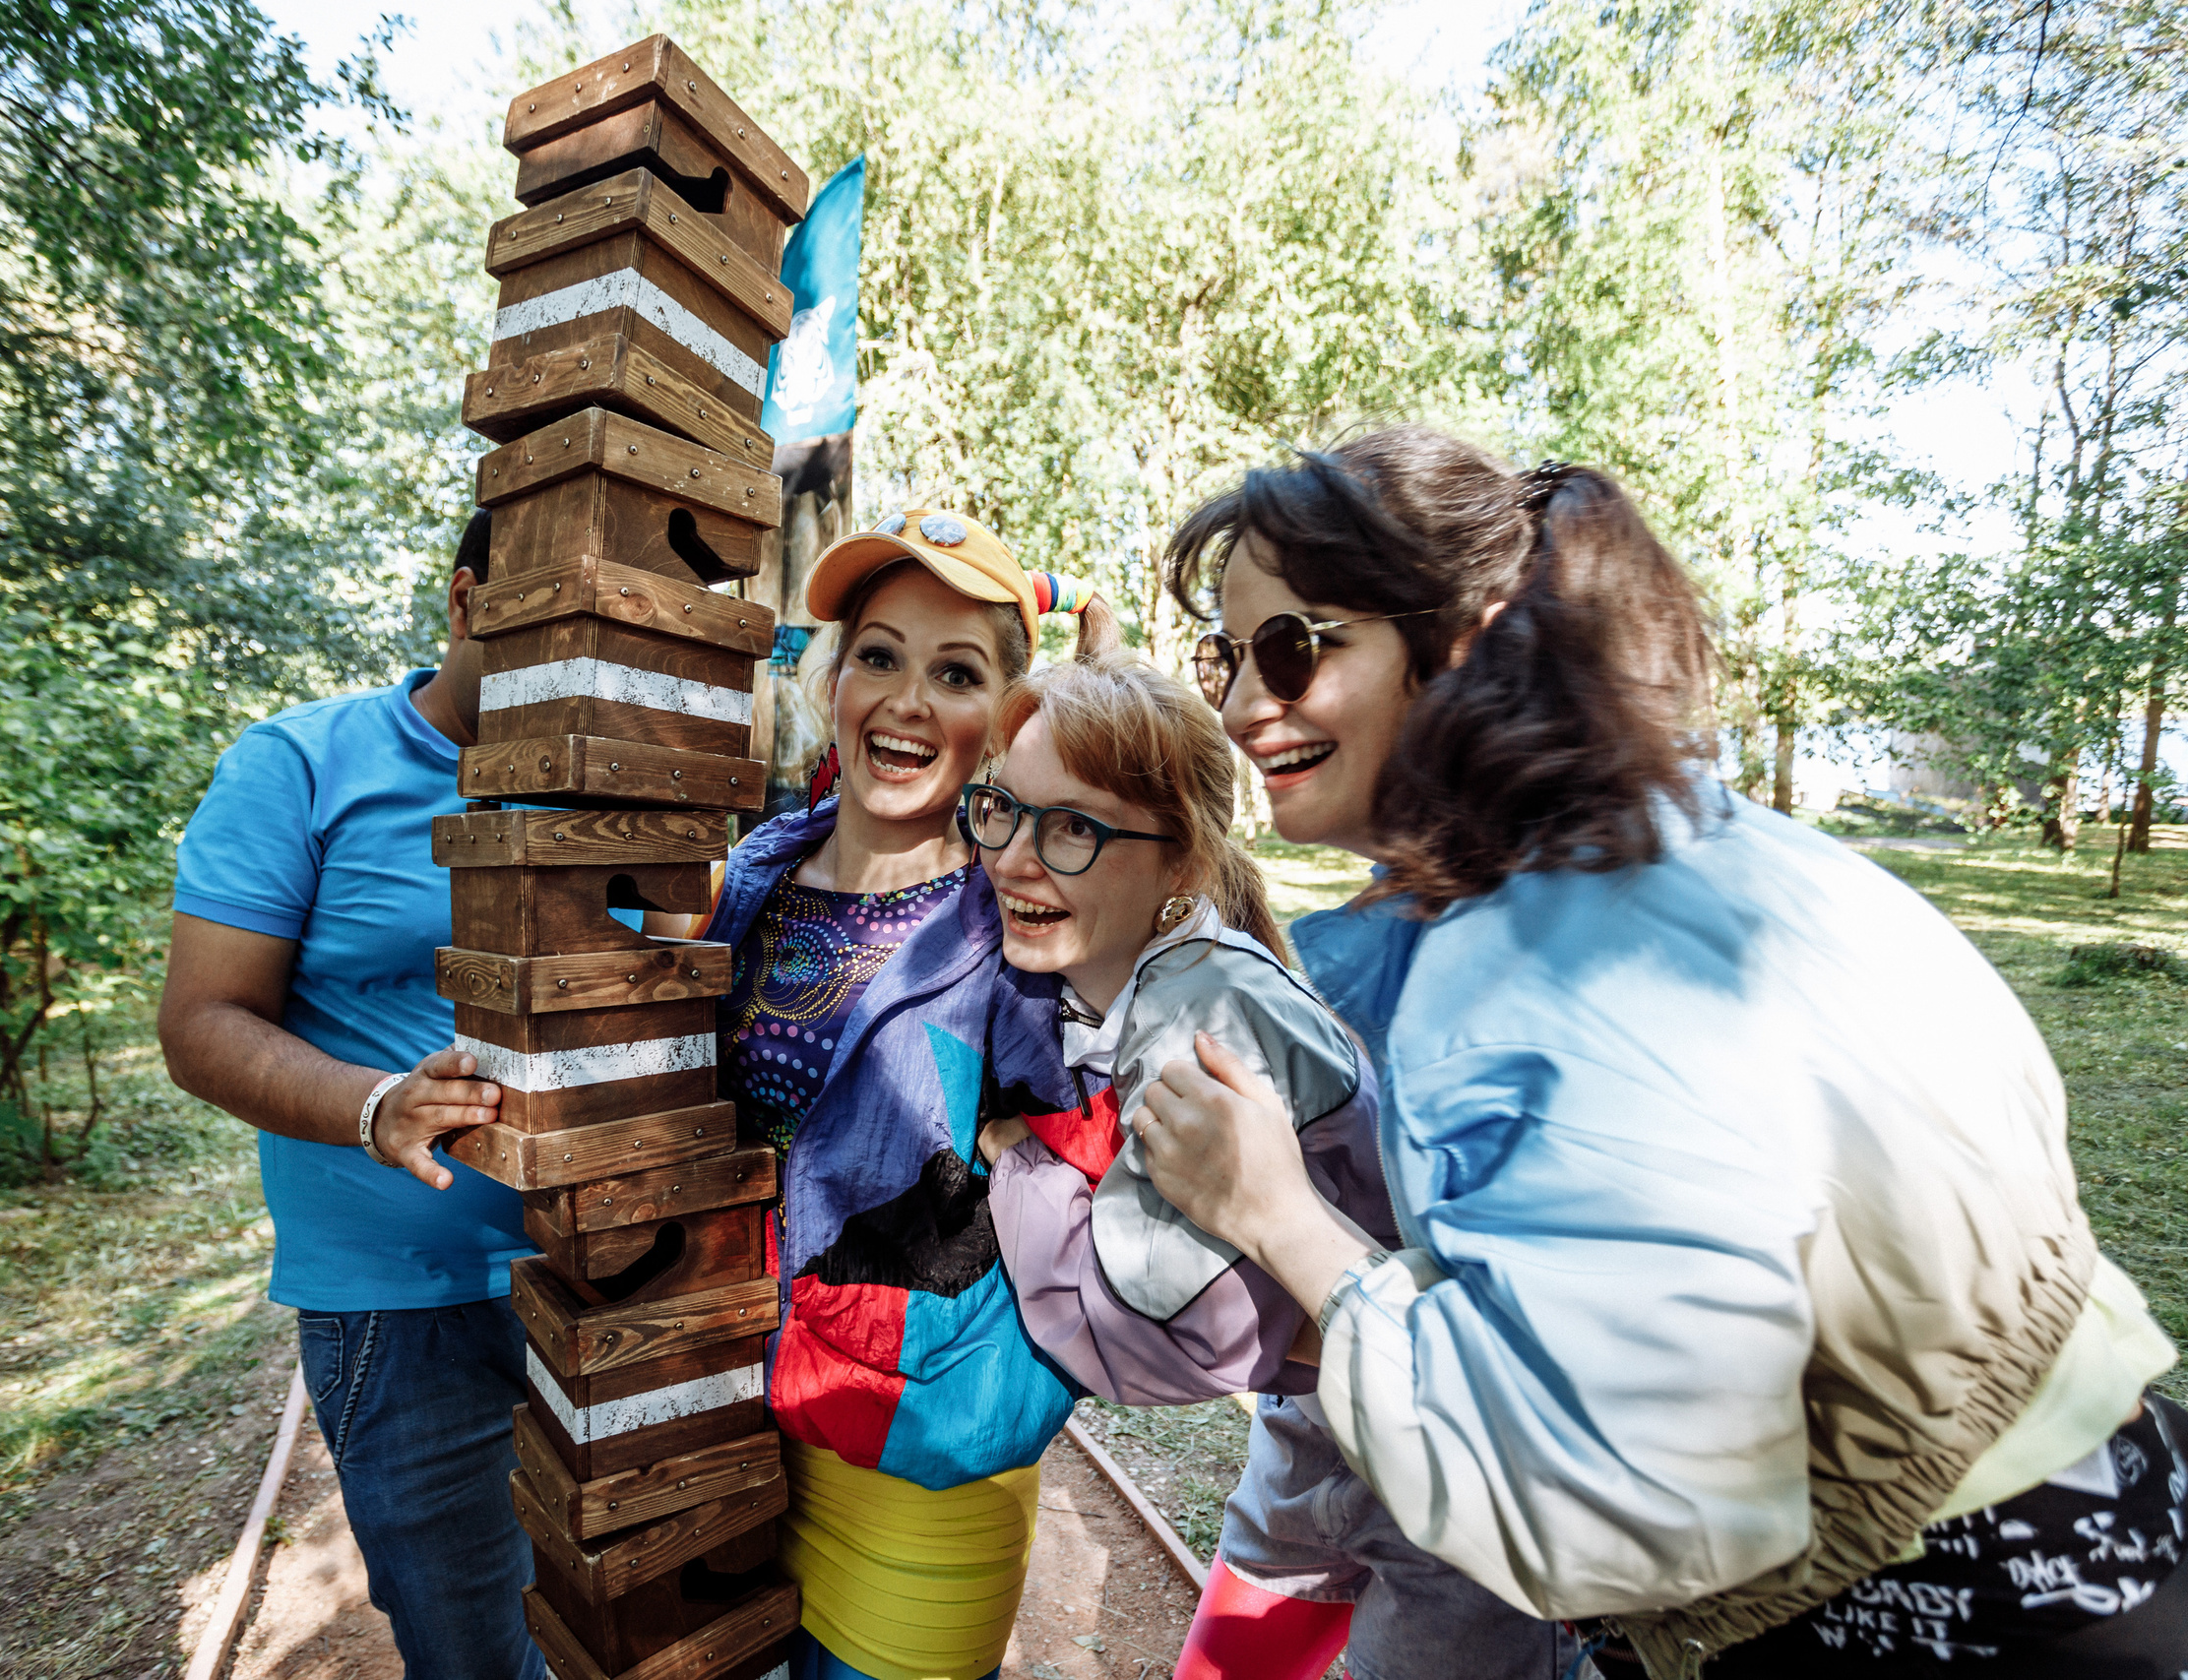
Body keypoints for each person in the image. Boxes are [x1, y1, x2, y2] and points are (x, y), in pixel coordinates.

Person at [1128, 426, 2184, 1679]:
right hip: (2119, 1514)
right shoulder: (1704, 847)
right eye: (1226, 655)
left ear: (1462, 638)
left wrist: (1279, 1214)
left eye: (1299, 646)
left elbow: (1607, 1499)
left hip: (1942, 1615)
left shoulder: (1546, 969)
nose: (1250, 701)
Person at [970, 653, 1580, 1680]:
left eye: (1074, 826)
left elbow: (1142, 1340)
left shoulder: (1198, 1024)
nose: (1016, 859)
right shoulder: (1127, 978)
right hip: (1315, 1443)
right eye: (1003, 810)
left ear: (1180, 863)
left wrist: (1018, 1167)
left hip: (1454, 1471)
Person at [693, 509, 1113, 1680]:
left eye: (956, 672)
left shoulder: (1027, 911)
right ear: (835, 678)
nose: (907, 701)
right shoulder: (760, 870)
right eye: (879, 654)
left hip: (915, 1444)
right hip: (725, 1415)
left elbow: (1100, 1145)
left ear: (1007, 720)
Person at [156, 510, 548, 1680]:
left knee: (637, 1600)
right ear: (466, 604)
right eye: (536, 631)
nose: (566, 675)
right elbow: (201, 1022)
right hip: (401, 1308)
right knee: (470, 1638)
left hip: (613, 1273)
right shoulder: (301, 765)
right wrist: (378, 1105)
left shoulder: (621, 791)